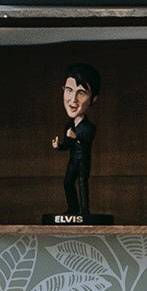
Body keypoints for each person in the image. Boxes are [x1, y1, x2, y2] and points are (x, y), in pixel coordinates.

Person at [49, 63, 99, 223]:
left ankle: (84, 212)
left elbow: (84, 142)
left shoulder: (88, 127)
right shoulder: (69, 125)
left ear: (93, 99)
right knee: (68, 182)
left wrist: (75, 137)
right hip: (73, 160)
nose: (73, 100)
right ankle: (72, 209)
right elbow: (67, 144)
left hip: (83, 160)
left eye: (82, 93)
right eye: (69, 91)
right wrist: (60, 146)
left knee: (83, 184)